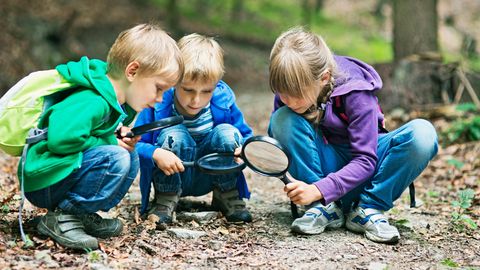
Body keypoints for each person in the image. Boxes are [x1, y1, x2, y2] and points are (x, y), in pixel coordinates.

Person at [20, 23, 183, 250]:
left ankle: (79, 214)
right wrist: (109, 141)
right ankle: (61, 217)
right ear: (132, 71)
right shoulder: (93, 99)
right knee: (116, 156)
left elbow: (93, 134)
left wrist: (116, 134)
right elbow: (61, 139)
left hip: (60, 174)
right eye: (158, 88)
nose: (160, 98)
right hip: (45, 179)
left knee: (129, 154)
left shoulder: (113, 102)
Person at [268, 27, 438, 243]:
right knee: (282, 118)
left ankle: (368, 209)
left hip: (367, 173)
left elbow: (366, 160)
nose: (288, 101)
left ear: (324, 78)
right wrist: (253, 153)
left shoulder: (356, 92)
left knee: (423, 134)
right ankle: (323, 209)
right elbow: (283, 144)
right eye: (282, 93)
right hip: (322, 172)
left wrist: (319, 189)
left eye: (296, 95)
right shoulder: (289, 94)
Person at [136, 33, 253, 225]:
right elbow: (136, 144)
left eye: (206, 91)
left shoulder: (223, 101)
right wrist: (156, 153)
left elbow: (247, 136)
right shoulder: (158, 103)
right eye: (188, 90)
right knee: (174, 134)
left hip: (211, 173)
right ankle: (166, 198)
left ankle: (226, 193)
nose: (196, 100)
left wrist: (244, 150)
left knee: (227, 132)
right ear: (174, 81)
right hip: (173, 173)